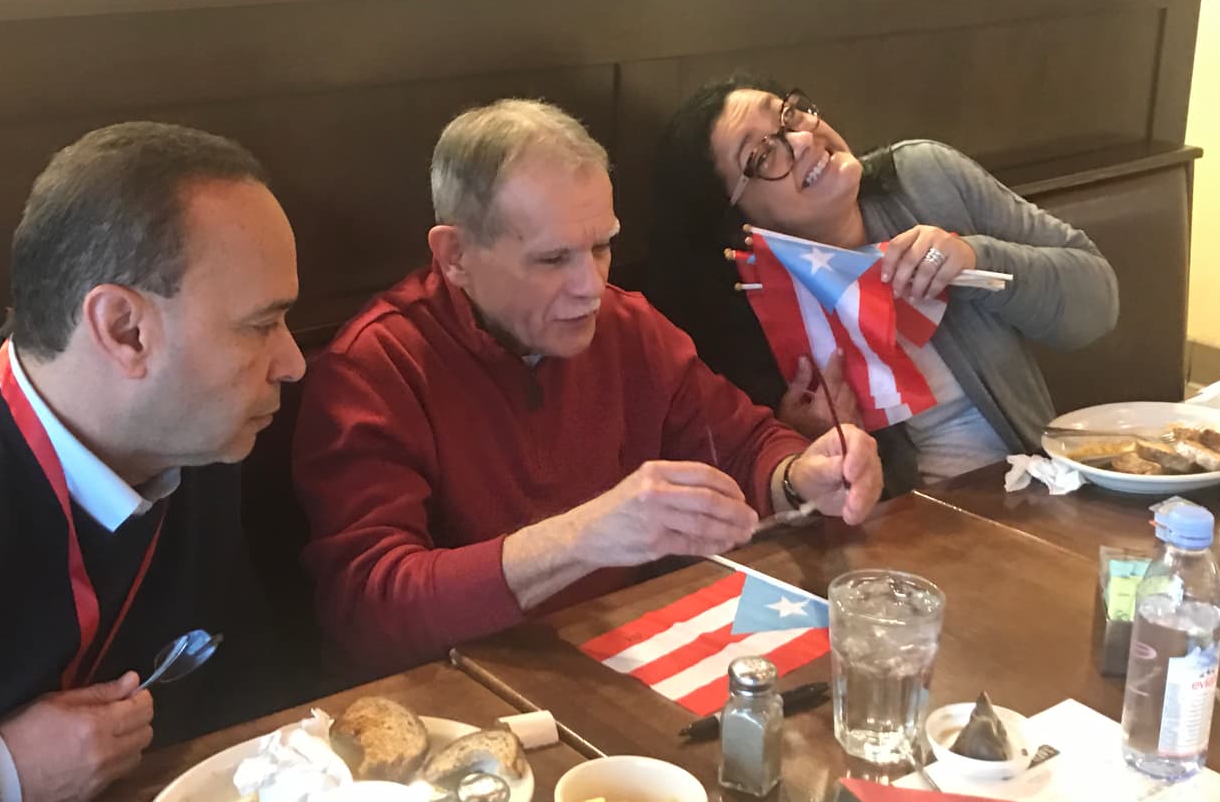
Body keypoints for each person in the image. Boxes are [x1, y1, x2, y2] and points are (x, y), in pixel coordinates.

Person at [293, 99, 882, 677]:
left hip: (604, 665)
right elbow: (370, 612)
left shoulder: (626, 326)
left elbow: (744, 444)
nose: (591, 287)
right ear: (456, 257)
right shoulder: (375, 367)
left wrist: (801, 474)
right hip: (454, 695)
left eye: (601, 246)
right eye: (553, 259)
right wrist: (585, 536)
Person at [0, 122, 306, 802]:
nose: (293, 363)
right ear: (124, 330)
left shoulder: (200, 439)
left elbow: (254, 678)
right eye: (260, 325)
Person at [651, 73, 1119, 494]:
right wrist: (803, 442)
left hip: (1037, 488)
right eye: (762, 154)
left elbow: (1098, 303)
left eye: (789, 114)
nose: (802, 139)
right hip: (905, 541)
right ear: (739, 222)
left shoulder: (922, 178)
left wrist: (977, 258)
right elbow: (786, 505)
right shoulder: (758, 310)